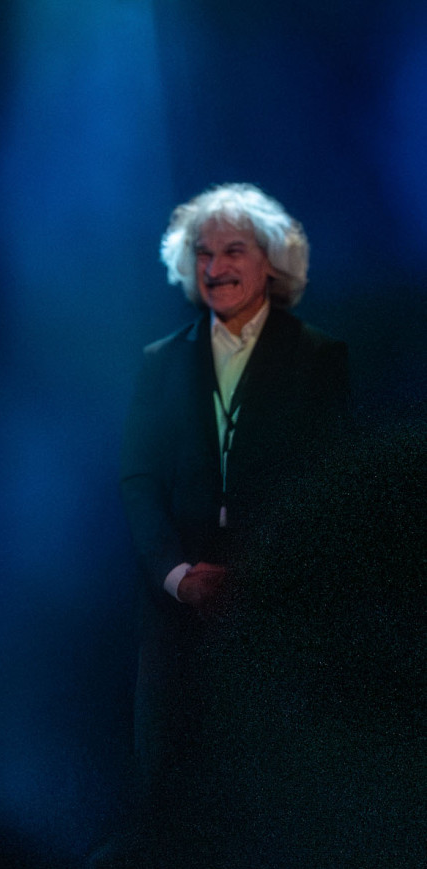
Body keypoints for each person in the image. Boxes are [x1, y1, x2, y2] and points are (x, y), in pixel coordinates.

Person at [119, 183, 348, 796]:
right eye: (203, 253)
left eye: (234, 251)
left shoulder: (320, 358)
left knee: (268, 792)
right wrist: (179, 576)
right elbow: (138, 481)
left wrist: (260, 578)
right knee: (172, 787)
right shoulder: (160, 360)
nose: (216, 268)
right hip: (177, 614)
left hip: (277, 608)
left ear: (271, 261)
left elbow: (325, 484)